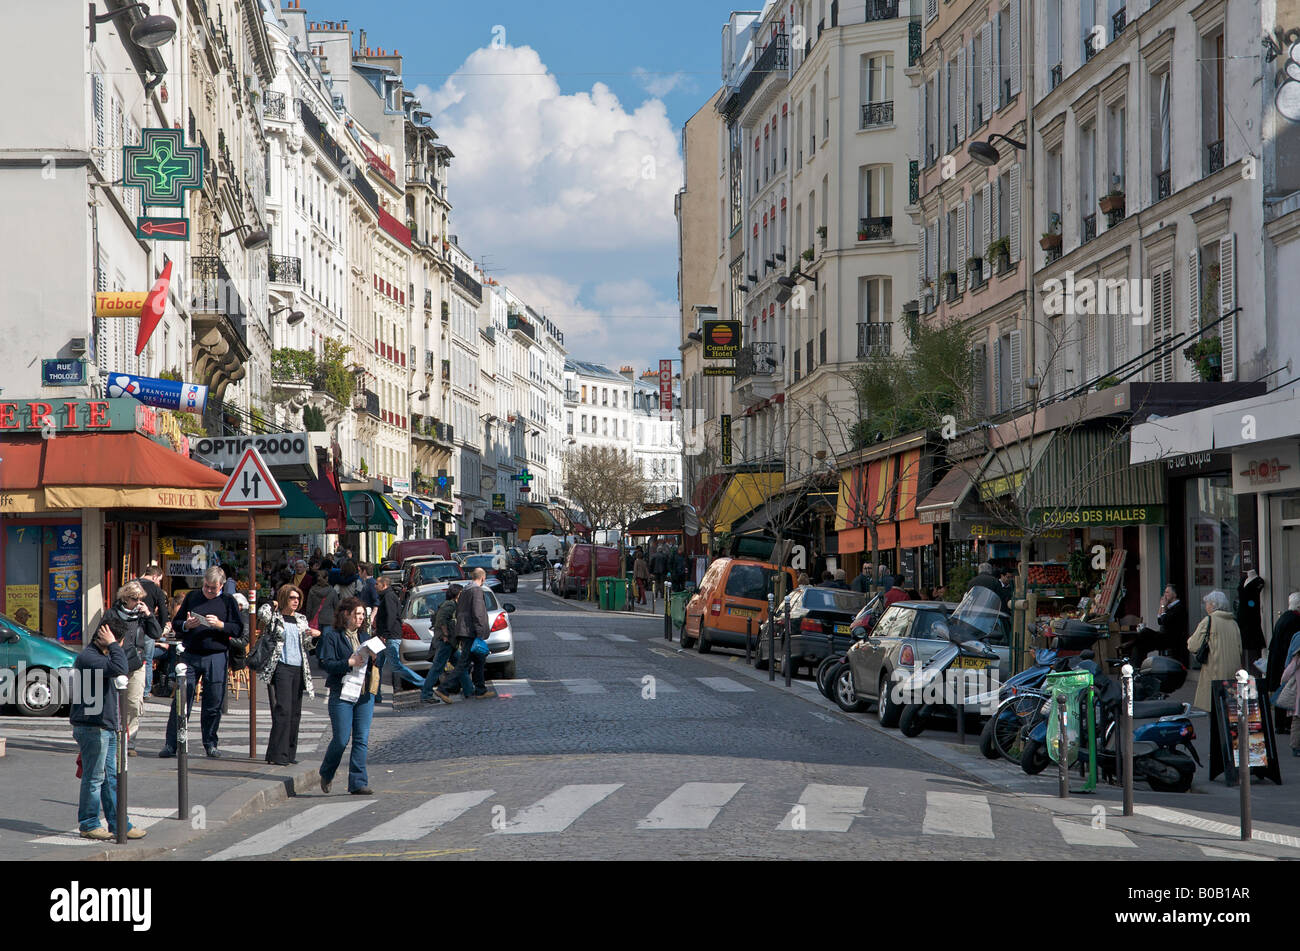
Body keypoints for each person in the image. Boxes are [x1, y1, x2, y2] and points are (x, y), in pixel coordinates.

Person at [70, 620, 145, 840]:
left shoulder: (100, 657)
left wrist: (113, 647)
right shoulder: (89, 657)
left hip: (105, 726)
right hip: (93, 727)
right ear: (108, 638)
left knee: (110, 778)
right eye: (118, 642)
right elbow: (120, 668)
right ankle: (89, 823)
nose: (120, 646)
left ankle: (118, 822)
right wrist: (114, 645)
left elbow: (129, 664)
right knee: (94, 778)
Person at [159, 565, 244, 759]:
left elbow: (238, 629)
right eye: (206, 586)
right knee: (182, 699)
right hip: (191, 654)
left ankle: (210, 743)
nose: (208, 591)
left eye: (213, 588)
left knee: (213, 701)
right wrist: (186, 625)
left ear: (221, 586)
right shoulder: (193, 597)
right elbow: (178, 623)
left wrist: (221, 625)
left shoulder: (228, 601)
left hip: (216, 655)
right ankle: (172, 743)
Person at [317, 597, 379, 795]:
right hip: (342, 693)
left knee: (361, 738)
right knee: (342, 738)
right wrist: (349, 662)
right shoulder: (333, 637)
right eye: (357, 614)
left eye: (362, 615)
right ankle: (327, 772)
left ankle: (358, 782)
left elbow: (380, 664)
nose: (361, 618)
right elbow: (326, 664)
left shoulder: (366, 638)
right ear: (346, 615)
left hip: (364, 694)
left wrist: (378, 657)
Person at [256, 585, 319, 766]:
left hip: (299, 668)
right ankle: (278, 754)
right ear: (284, 598)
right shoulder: (275, 617)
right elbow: (262, 613)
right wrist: (272, 602)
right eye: (292, 597)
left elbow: (307, 645)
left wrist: (314, 637)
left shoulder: (301, 619)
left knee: (295, 713)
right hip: (281, 667)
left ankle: (289, 753)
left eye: (298, 598)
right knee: (283, 710)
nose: (296, 601)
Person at [108, 582, 161, 756]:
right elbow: (100, 636)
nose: (138, 602)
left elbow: (156, 633)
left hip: (136, 664)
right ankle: (115, 740)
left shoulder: (141, 615)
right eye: (134, 599)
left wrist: (149, 614)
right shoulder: (112, 614)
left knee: (133, 703)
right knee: (115, 704)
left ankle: (129, 743)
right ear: (124, 598)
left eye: (140, 599)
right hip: (117, 664)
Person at [431, 568, 495, 702]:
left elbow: (459, 609)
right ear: (483, 578)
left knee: (479, 660)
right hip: (471, 631)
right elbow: (478, 612)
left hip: (464, 630)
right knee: (463, 663)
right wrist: (480, 631)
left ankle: (480, 689)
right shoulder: (476, 590)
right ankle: (443, 689)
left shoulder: (465, 589)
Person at [1187, 589, 1244, 712]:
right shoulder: (1233, 623)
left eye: (1207, 603)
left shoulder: (1209, 621)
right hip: (1232, 674)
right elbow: (1240, 649)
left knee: (1214, 711)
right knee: (1229, 713)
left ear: (1213, 605)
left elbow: (1193, 645)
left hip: (1214, 672)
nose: (1206, 606)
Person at [376, 575, 424, 696]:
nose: (375, 586)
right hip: (385, 637)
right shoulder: (387, 596)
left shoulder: (388, 597)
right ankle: (375, 694)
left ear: (384, 585)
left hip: (389, 637)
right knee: (377, 664)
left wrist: (385, 635)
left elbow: (391, 617)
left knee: (395, 666)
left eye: (377, 584)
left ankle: (423, 683)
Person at [1123, 585, 1189, 667]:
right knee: (1139, 646)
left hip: (1171, 638)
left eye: (1167, 592)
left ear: (1174, 595)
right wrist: (1161, 606)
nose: (1165, 594)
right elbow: (1159, 621)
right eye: (1165, 592)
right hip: (1163, 637)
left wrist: (1163, 606)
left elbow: (1164, 621)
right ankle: (1136, 669)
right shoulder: (1169, 607)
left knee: (1145, 631)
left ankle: (1129, 645)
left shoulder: (1179, 607)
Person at [422, 584, 464, 704]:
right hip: (445, 642)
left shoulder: (455, 605)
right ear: (458, 594)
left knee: (461, 665)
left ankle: (469, 689)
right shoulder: (449, 604)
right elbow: (441, 620)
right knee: (437, 668)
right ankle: (426, 694)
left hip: (451, 643)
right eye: (462, 593)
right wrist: (445, 634)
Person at [133, 564, 169, 697]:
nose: (159, 582)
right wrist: (160, 629)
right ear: (154, 576)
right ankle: (145, 691)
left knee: (129, 656)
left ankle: (130, 686)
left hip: (131, 627)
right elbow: (164, 612)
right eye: (159, 579)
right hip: (148, 627)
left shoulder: (132, 585)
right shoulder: (156, 589)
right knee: (147, 660)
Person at [1267, 593, 1300, 732]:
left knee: (1282, 691)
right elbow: (1291, 646)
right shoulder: (1294, 620)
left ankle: (1281, 725)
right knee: (1287, 692)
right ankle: (1284, 725)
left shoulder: (1284, 618)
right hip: (1284, 662)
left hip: (1277, 660)